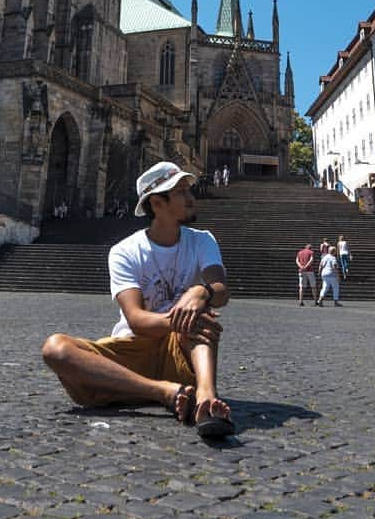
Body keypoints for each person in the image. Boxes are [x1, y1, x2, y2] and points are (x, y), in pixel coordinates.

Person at [41, 162, 234, 439]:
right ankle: (161, 392)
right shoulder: (125, 251)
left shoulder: (203, 241)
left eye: (188, 190)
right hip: (130, 354)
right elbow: (136, 319)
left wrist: (202, 292)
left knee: (200, 315)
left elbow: (220, 288)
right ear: (157, 203)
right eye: (181, 192)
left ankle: (206, 399)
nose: (191, 197)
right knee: (55, 349)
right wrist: (180, 317)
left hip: (180, 352)